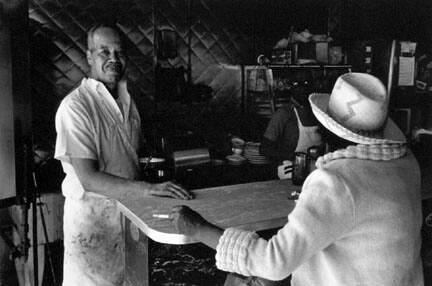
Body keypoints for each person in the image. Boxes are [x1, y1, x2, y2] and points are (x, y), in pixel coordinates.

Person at [170, 72, 423, 286]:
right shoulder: (406, 163)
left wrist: (198, 228)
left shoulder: (336, 180)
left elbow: (273, 262)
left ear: (327, 130)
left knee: (242, 278)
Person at [54, 23, 193, 286]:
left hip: (129, 218)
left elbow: (130, 154)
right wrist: (149, 189)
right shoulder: (76, 107)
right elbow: (89, 178)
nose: (113, 59)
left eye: (119, 52)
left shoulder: (127, 100)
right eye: (104, 52)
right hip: (93, 225)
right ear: (89, 56)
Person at [260, 81, 322, 163]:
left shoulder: (319, 113)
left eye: (306, 84)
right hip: (292, 170)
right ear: (291, 88)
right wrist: (292, 156)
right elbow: (264, 149)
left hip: (318, 170)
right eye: (296, 84)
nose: (302, 89)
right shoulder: (284, 114)